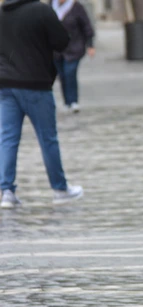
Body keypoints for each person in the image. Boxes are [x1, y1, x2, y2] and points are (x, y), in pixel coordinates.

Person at [0, 0, 86, 208]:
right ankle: (59, 189)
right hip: (36, 84)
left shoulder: (1, 13)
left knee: (7, 138)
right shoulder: (41, 11)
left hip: (6, 84)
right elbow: (62, 41)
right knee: (47, 138)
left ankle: (6, 192)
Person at [53, 0, 95, 114]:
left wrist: (90, 45)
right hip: (56, 50)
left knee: (69, 73)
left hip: (74, 48)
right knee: (62, 76)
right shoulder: (51, 5)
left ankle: (74, 101)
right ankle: (67, 102)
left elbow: (86, 26)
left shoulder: (76, 7)